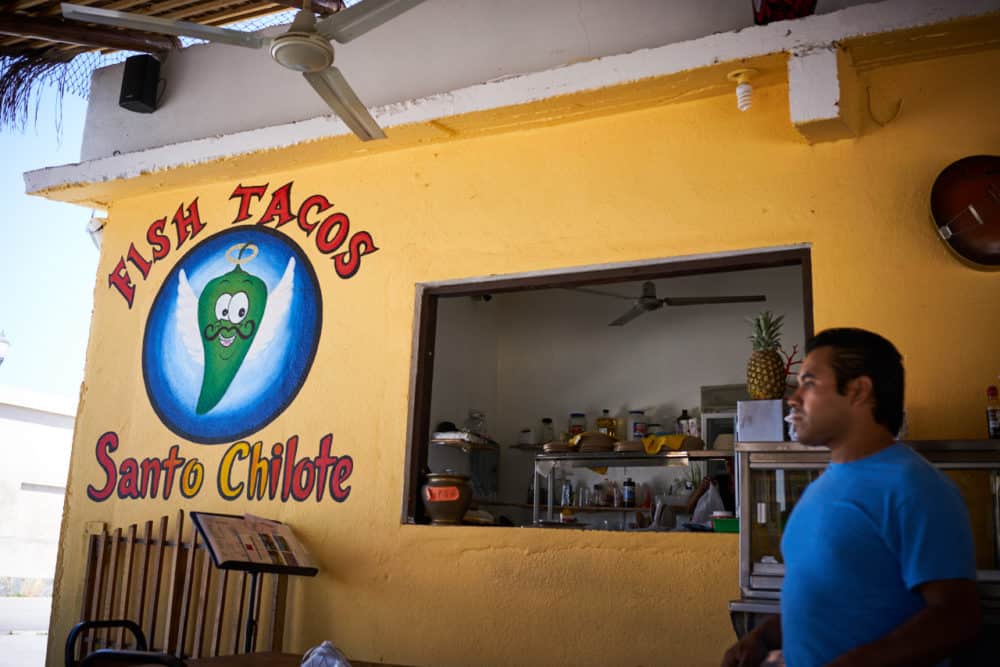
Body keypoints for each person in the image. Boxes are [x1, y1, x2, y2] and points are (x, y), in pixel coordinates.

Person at [722, 328, 980, 667]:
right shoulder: (821, 487)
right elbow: (837, 601)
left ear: (859, 391)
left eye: (810, 383)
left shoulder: (915, 488)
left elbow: (956, 617)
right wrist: (764, 637)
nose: (793, 398)